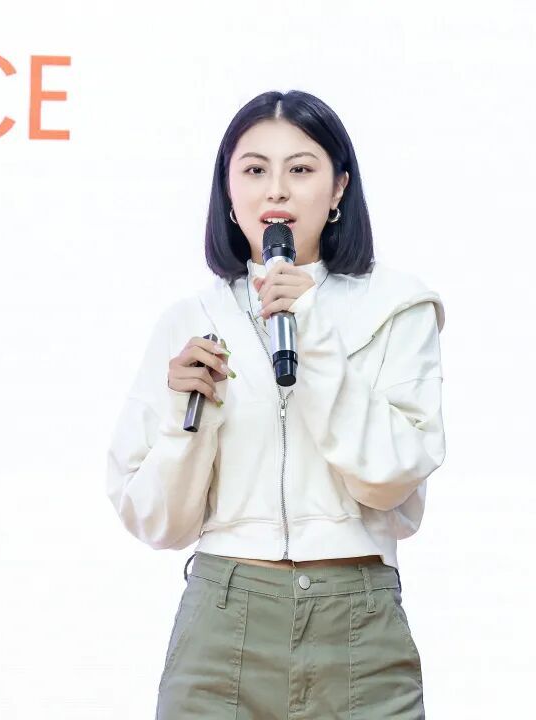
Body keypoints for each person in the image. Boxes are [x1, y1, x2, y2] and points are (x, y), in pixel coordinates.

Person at [106, 89, 445, 719]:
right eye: (255, 169)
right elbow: (157, 521)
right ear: (228, 190)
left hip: (358, 623)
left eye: (302, 169)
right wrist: (187, 422)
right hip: (222, 621)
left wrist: (311, 330)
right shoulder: (190, 321)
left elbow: (391, 477)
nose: (277, 191)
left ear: (339, 188)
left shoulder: (397, 308)